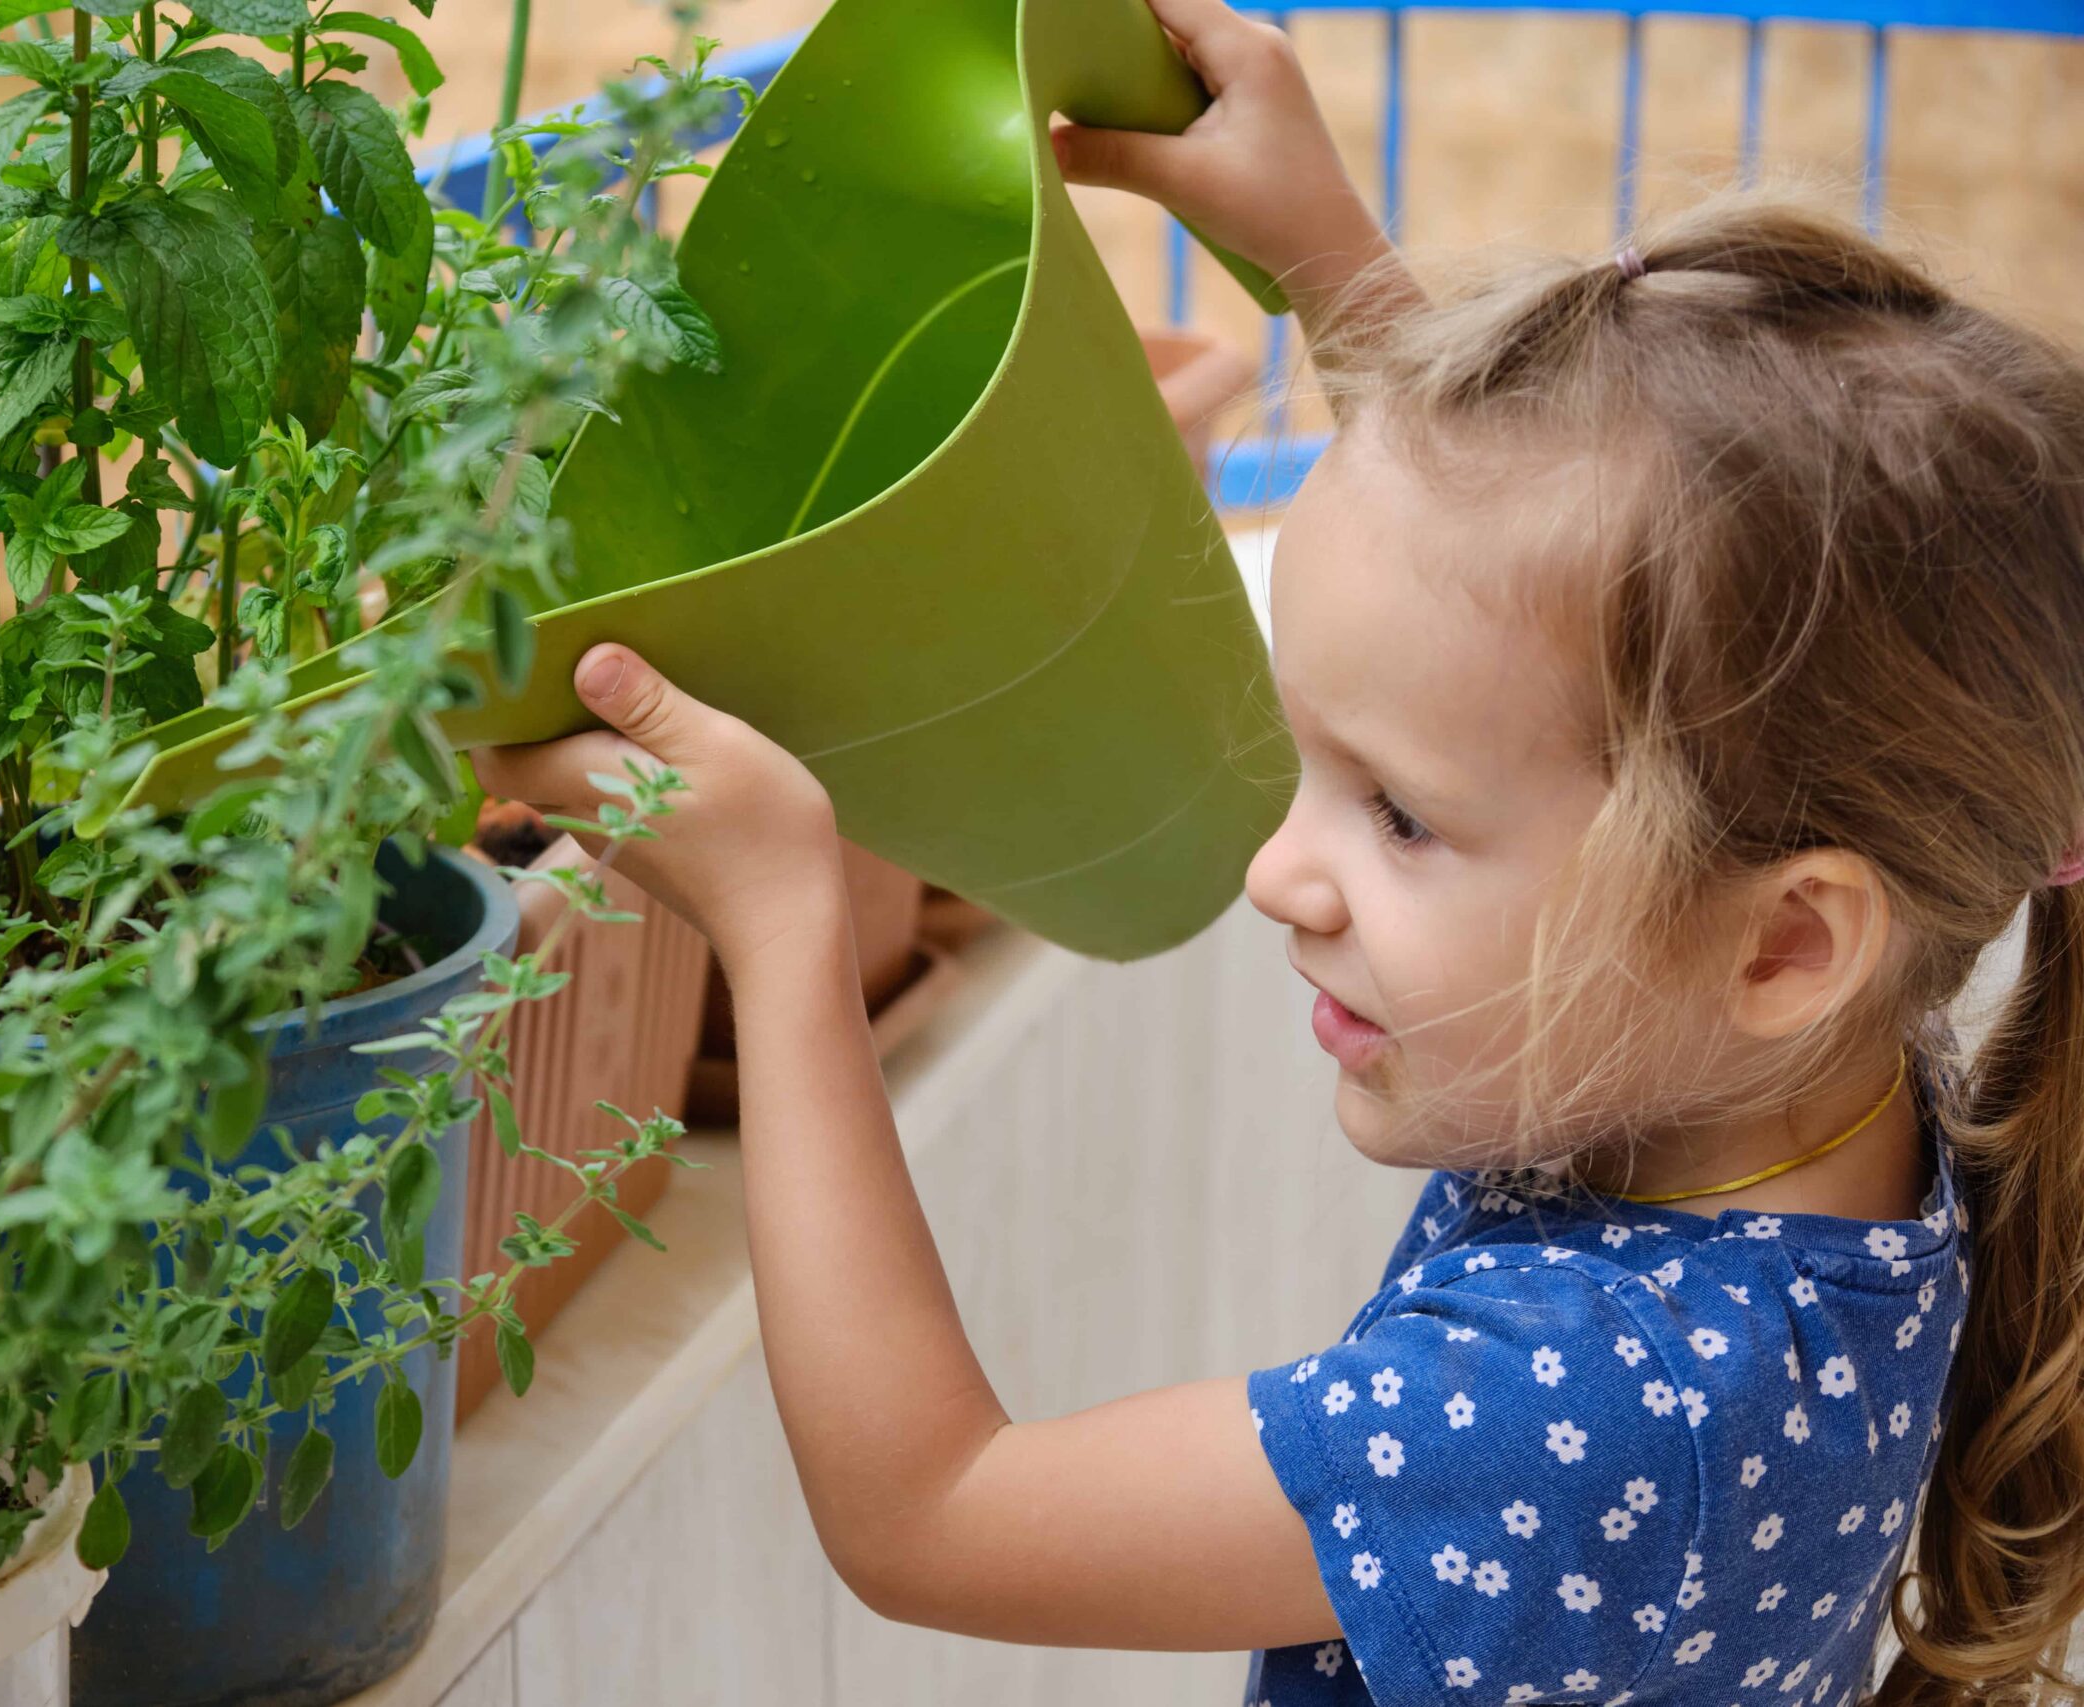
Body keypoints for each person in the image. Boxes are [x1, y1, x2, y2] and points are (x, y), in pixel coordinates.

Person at [474, 2, 2084, 1699]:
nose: (1277, 873)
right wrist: (1335, 262)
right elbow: (1586, 653)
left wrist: (784, 926)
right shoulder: (1830, 1062)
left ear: (1782, 944)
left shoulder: (1585, 1424)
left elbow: (933, 1513)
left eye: (1395, 813)